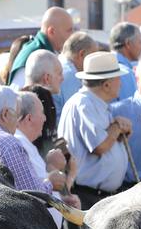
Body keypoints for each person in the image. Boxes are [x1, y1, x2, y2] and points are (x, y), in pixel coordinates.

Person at [56, 51, 133, 207]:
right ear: (106, 85)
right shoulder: (84, 104)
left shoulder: (94, 103)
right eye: (118, 78)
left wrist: (118, 131)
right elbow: (100, 146)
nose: (121, 83)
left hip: (96, 196)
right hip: (87, 196)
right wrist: (117, 127)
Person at [15, 89, 76, 203]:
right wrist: (56, 168)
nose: (45, 118)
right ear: (29, 118)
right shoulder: (19, 145)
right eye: (42, 113)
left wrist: (63, 201)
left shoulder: (24, 144)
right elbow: (33, 196)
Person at [7, 7, 75, 88]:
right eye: (69, 30)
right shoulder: (33, 55)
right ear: (51, 31)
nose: (72, 35)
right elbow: (20, 94)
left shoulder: (48, 52)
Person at [59, 32, 98, 105]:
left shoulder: (60, 64)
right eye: (93, 57)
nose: (95, 62)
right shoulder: (70, 75)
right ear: (82, 54)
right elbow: (80, 108)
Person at [108, 22, 141, 99]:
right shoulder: (125, 73)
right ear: (128, 43)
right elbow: (129, 109)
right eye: (140, 42)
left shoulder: (101, 66)